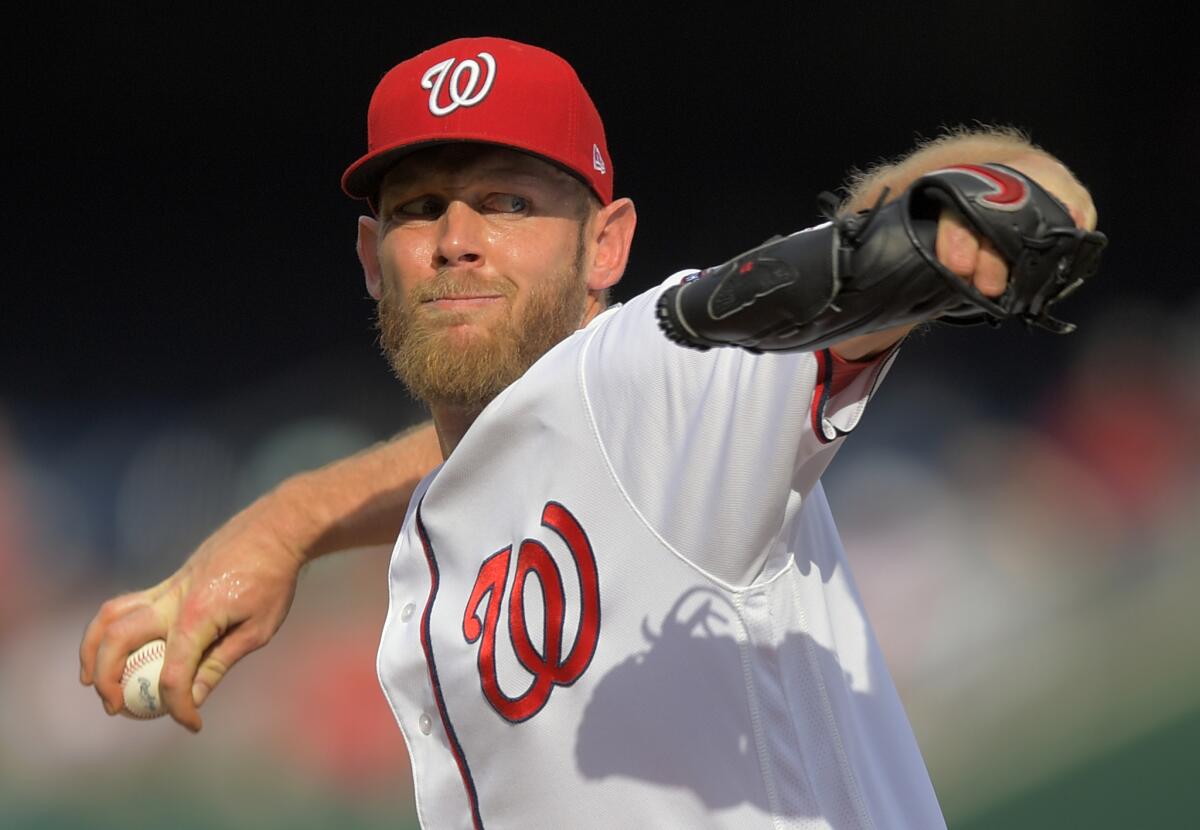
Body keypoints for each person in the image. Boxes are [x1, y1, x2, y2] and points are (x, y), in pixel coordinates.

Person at [79, 36, 1098, 828]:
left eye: (508, 200)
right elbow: (497, 455)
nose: (456, 239)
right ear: (370, 254)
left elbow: (951, 221)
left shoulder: (662, 372)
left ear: (606, 243)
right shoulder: (481, 491)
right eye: (419, 206)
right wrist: (286, 520)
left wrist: (966, 208)